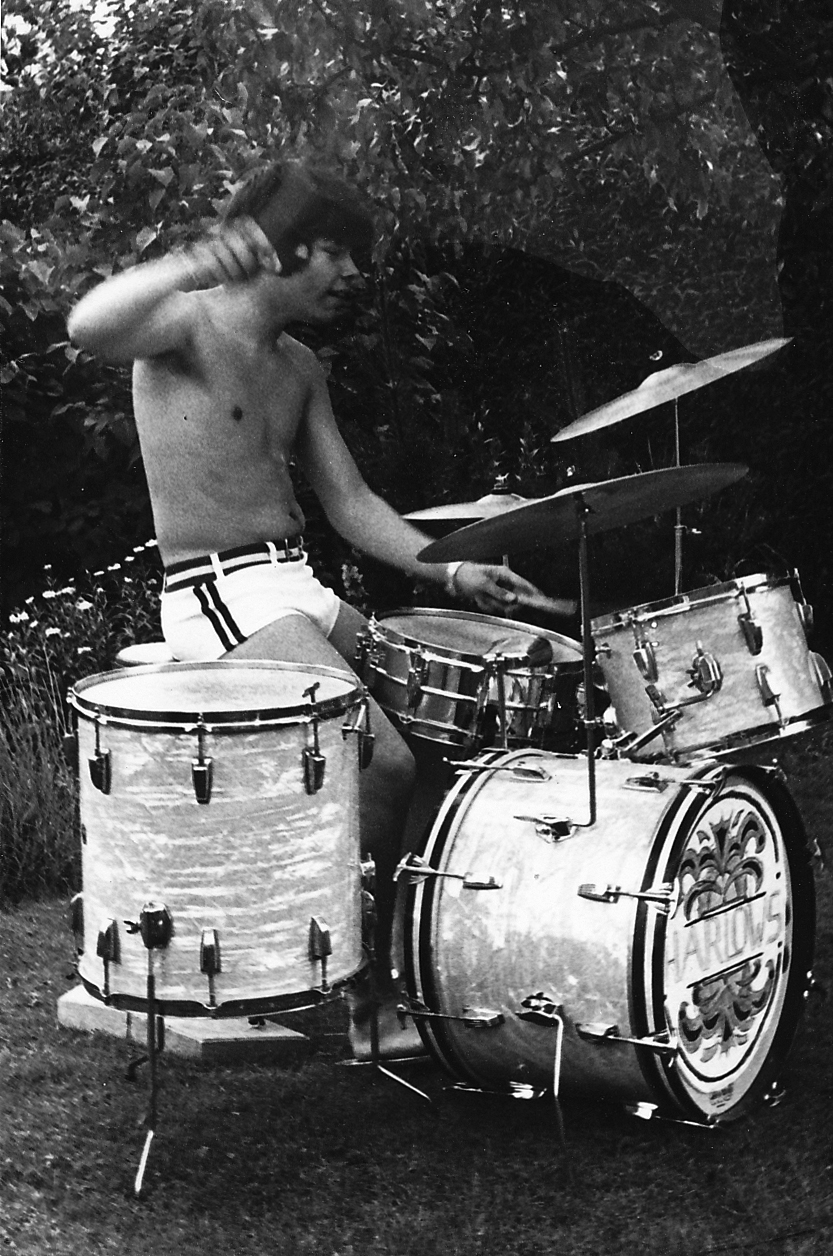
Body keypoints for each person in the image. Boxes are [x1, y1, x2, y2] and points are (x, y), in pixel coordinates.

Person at [66, 159, 543, 1058]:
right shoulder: (184, 326)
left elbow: (352, 504)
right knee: (384, 763)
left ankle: (422, 955)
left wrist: (449, 574)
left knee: (444, 736)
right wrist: (195, 259)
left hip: (297, 586)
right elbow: (88, 324)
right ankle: (366, 994)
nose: (353, 274)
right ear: (284, 250)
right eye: (338, 253)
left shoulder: (300, 368)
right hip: (217, 593)